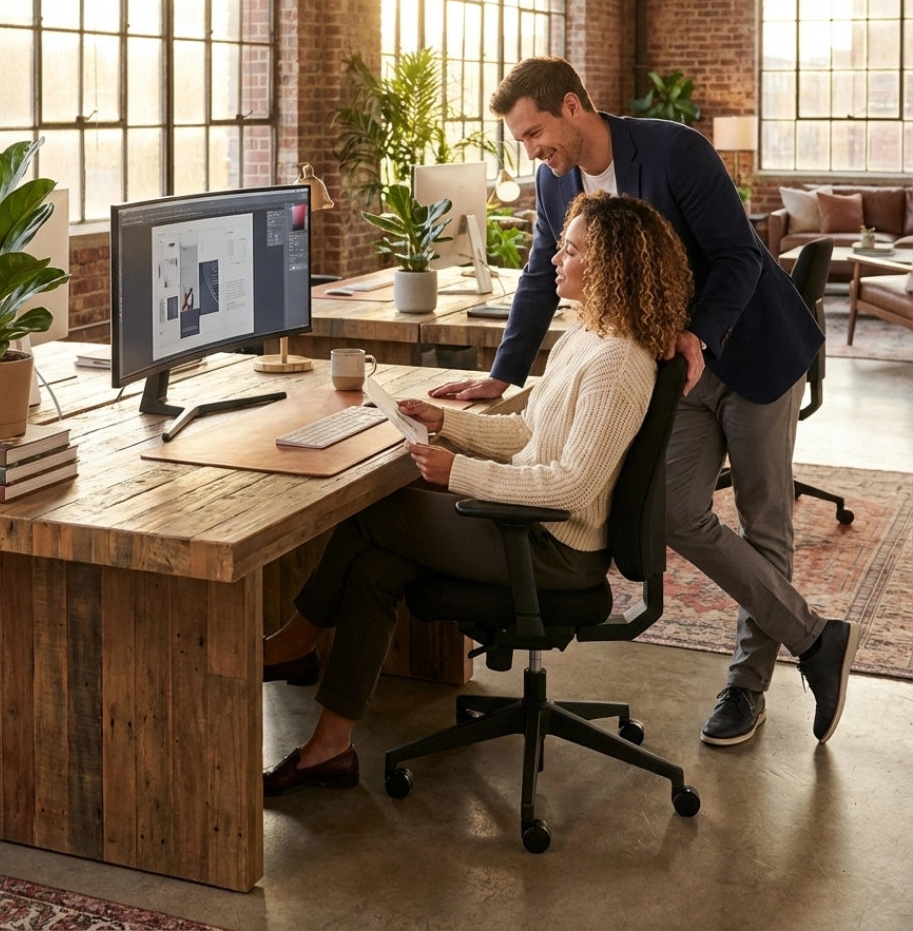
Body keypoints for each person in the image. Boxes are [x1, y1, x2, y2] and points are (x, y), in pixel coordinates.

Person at [429, 56, 859, 747]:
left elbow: (739, 256)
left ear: (572, 106)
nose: (533, 151)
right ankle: (817, 637)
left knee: (764, 520)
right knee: (676, 511)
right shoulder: (551, 181)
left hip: (748, 348)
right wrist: (502, 377)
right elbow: (541, 280)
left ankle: (746, 688)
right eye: (522, 141)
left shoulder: (671, 150)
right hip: (670, 364)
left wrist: (699, 335)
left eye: (536, 132)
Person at [261, 191, 693, 795]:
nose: (553, 261)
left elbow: (571, 485)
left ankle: (293, 643)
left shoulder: (617, 363)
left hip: (553, 548)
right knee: (378, 565)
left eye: (568, 251)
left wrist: (453, 472)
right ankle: (329, 747)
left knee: (373, 511)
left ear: (608, 266)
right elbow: (528, 434)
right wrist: (447, 425)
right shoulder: (587, 335)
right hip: (530, 526)